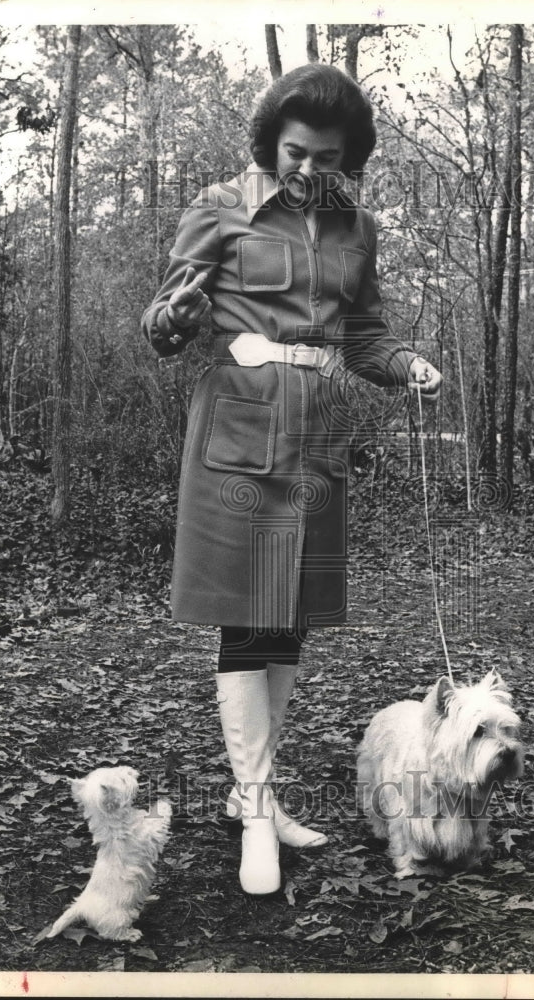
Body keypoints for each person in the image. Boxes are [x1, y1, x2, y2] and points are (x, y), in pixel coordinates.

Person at [141, 64, 442, 896]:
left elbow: (365, 335)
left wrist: (407, 363)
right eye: (298, 152)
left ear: (353, 158)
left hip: (315, 438)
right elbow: (161, 322)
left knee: (289, 623)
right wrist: (178, 317)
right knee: (247, 621)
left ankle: (258, 801)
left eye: (331, 158)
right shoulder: (221, 207)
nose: (311, 170)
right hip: (237, 429)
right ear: (272, 141)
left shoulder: (357, 228)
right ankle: (256, 808)